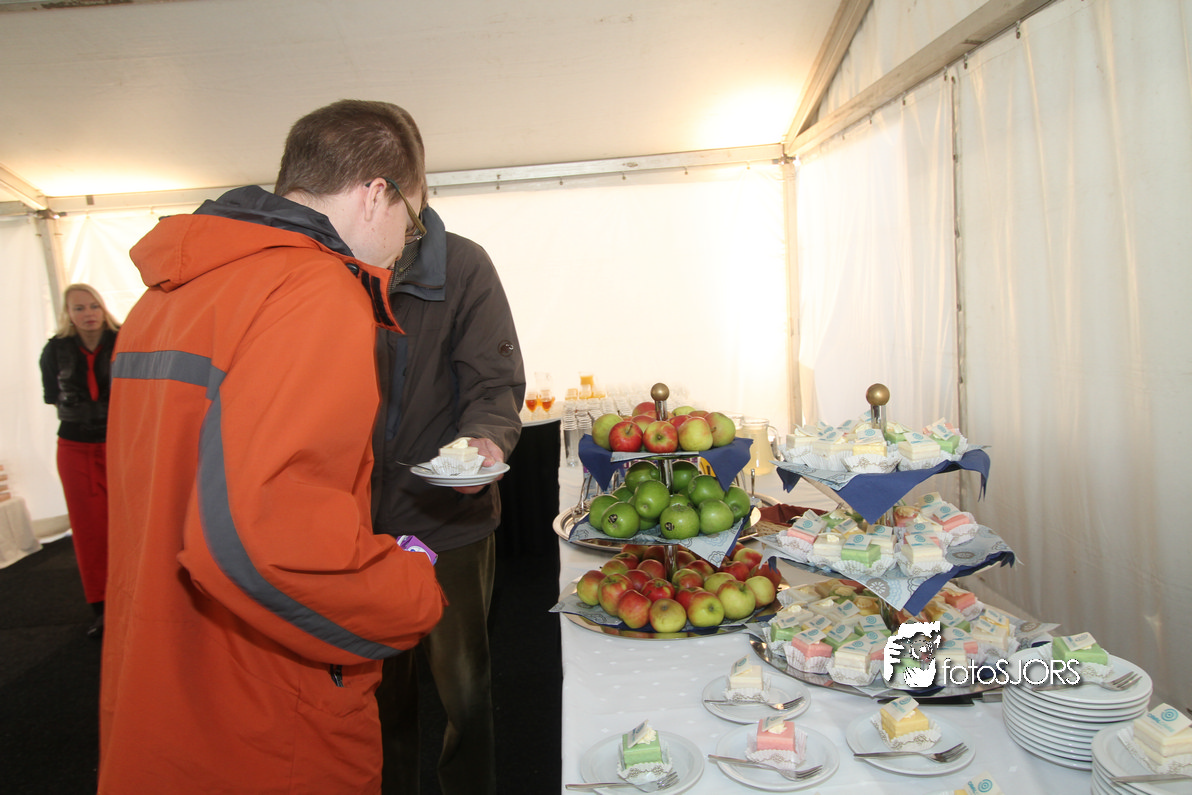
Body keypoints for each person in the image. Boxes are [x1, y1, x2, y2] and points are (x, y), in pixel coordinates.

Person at [98, 100, 448, 795]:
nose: (403, 246)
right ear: (375, 195)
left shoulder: (166, 296)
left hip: (161, 678)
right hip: (267, 707)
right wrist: (407, 590)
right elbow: (265, 542)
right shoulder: (314, 290)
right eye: (412, 223)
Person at [369, 106, 525, 795]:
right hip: (354, 528)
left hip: (448, 522)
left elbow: (494, 382)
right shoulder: (333, 272)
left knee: (463, 687)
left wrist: (485, 439)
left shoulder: (463, 265)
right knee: (377, 692)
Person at [39, 283, 119, 638]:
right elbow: (51, 395)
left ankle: (141, 599)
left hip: (119, 444)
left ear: (103, 308)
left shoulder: (125, 340)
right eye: (79, 308)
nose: (88, 314)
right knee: (89, 531)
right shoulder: (54, 349)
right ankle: (102, 608)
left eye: (93, 306)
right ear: (68, 314)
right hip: (74, 447)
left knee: (131, 525)